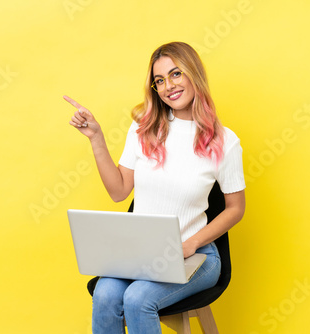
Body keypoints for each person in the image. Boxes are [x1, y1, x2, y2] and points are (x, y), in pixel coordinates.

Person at [64, 41, 246, 334]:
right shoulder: (143, 130)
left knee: (137, 299)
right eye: (159, 80)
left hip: (197, 257)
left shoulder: (225, 141)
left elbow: (236, 208)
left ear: (193, 74)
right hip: (141, 255)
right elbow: (119, 191)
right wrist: (96, 138)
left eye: (176, 74)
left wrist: (191, 243)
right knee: (106, 293)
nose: (168, 86)